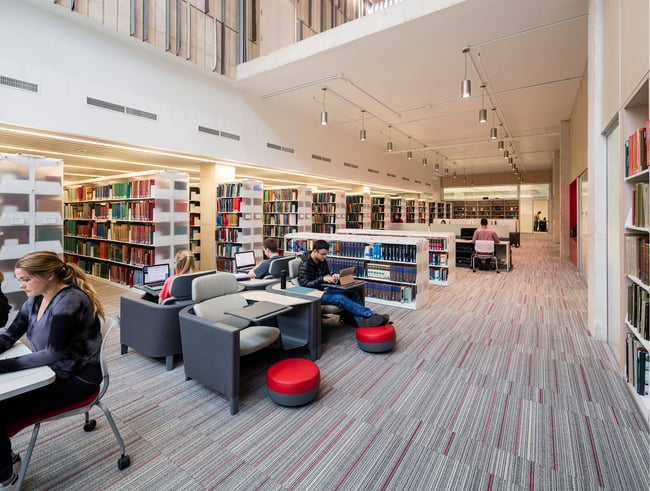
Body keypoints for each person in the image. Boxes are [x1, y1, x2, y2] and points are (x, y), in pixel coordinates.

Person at [0, 251, 105, 488]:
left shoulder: (69, 301)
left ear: (49, 275)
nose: (20, 284)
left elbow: (51, 353)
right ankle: (6, 462)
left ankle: (5, 478)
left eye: (26, 279)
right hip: (51, 372)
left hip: (78, 377)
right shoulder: (35, 299)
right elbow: (9, 335)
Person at [297, 239, 389, 328]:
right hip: (314, 294)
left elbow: (326, 274)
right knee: (340, 298)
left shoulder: (321, 260)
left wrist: (333, 276)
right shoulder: (305, 264)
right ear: (315, 251)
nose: (325, 257)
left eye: (326, 254)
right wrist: (322, 279)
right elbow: (304, 284)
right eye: (323, 254)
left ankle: (361, 320)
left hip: (323, 290)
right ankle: (371, 314)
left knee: (353, 293)